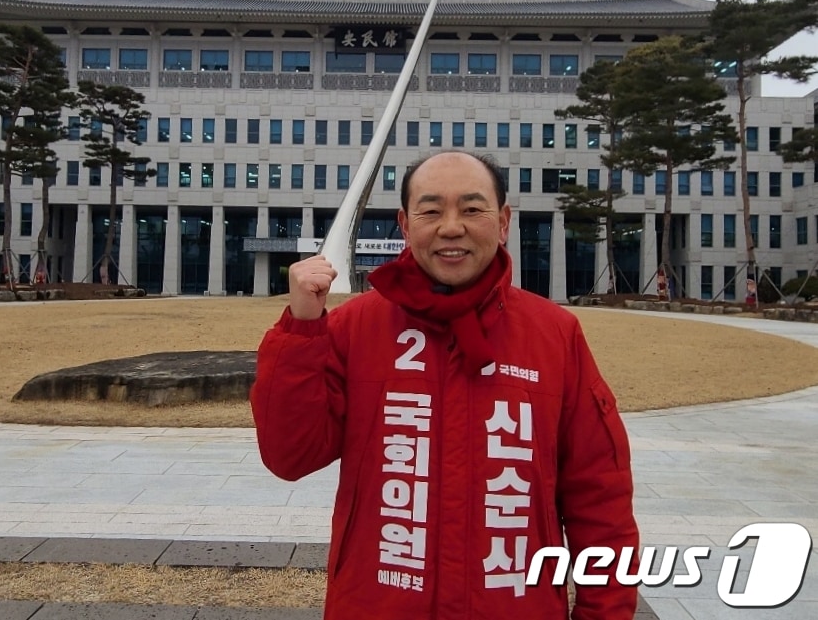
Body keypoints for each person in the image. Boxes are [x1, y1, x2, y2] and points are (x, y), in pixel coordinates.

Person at [250, 151, 639, 619]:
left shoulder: (553, 334)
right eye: (431, 210)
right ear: (405, 224)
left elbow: (602, 502)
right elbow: (291, 457)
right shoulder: (355, 328)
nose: (451, 227)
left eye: (472, 209)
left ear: (503, 222)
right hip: (378, 604)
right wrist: (301, 329)